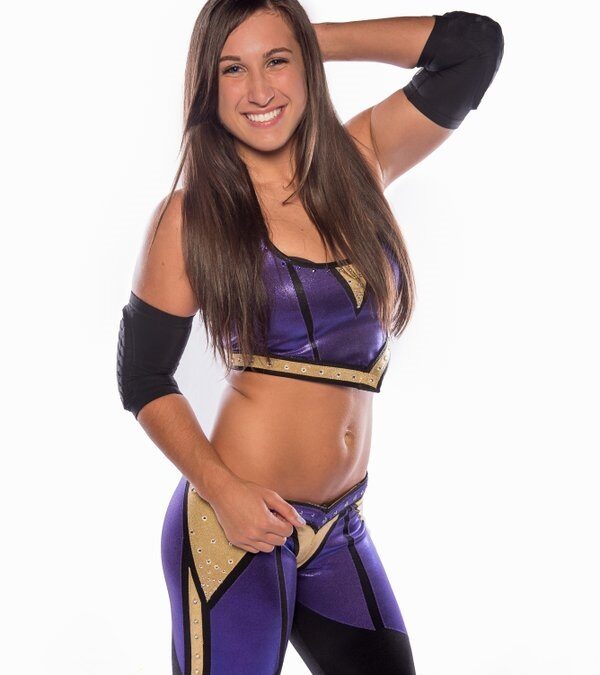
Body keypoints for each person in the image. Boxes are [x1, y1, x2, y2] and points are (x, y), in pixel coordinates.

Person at [116, 1, 504, 673]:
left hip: (340, 526)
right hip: (236, 526)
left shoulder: (364, 157)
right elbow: (143, 376)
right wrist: (224, 490)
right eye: (232, 69)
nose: (259, 91)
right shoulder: (191, 217)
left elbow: (474, 48)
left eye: (276, 62)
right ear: (207, 85)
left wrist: (306, 39)